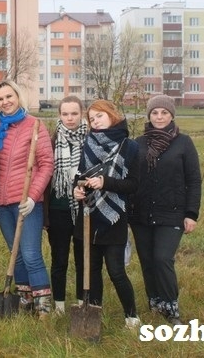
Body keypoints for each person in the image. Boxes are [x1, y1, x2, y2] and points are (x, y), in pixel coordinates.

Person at [128, 94, 201, 325]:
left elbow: (194, 180)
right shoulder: (138, 143)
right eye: (155, 113)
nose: (159, 117)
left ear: (172, 116)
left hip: (172, 212)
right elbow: (129, 177)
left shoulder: (184, 143)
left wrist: (191, 214)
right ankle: (155, 300)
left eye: (164, 113)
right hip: (140, 213)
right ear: (149, 115)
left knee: (162, 258)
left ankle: (171, 307)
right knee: (147, 260)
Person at [73, 99, 141, 329]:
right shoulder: (87, 143)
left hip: (113, 217)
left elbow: (133, 184)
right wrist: (77, 189)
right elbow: (80, 175)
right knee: (91, 273)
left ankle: (132, 317)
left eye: (99, 116)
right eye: (91, 119)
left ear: (112, 114)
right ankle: (93, 317)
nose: (96, 122)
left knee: (116, 271)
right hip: (88, 215)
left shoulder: (129, 146)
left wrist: (106, 182)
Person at [0, 79, 54, 318]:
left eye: (9, 96)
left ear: (18, 97)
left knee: (30, 253)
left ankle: (43, 304)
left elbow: (46, 164)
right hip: (2, 202)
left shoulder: (35, 126)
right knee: (14, 253)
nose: (6, 102)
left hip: (26, 202)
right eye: (1, 99)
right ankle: (25, 299)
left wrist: (33, 196)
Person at [43, 95, 87, 315]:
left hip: (83, 211)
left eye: (74, 114)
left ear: (82, 114)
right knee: (59, 259)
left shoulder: (91, 141)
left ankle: (82, 302)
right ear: (60, 115)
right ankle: (58, 303)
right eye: (65, 114)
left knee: (83, 259)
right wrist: (45, 215)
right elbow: (44, 177)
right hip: (58, 210)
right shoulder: (52, 140)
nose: (70, 118)